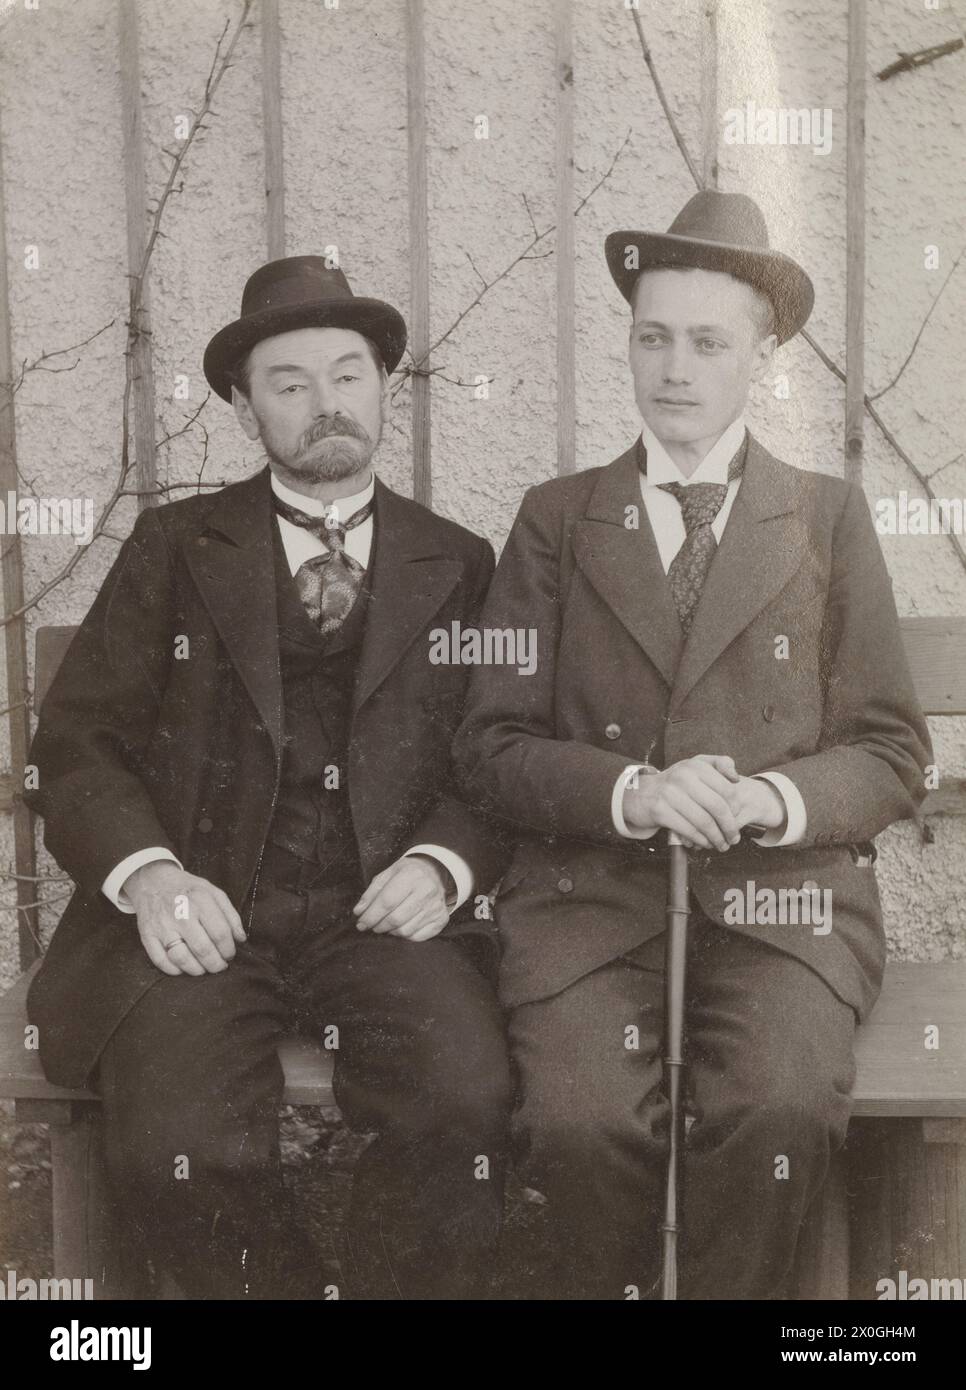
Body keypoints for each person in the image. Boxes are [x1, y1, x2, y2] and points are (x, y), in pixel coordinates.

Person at [453, 191, 932, 1300]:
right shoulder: (557, 520)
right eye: (651, 336)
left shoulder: (825, 518)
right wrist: (635, 790)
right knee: (577, 1122)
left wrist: (768, 802)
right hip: (590, 905)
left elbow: (889, 748)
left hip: (781, 907)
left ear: (761, 356)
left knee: (777, 1108)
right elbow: (489, 745)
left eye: (708, 343)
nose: (675, 367)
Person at [25, 256, 511, 1300]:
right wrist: (151, 878)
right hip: (207, 907)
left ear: (385, 384)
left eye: (348, 373)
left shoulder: (458, 560)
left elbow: (499, 747)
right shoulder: (173, 546)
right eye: (289, 383)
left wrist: (443, 863)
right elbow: (77, 742)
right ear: (245, 406)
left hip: (379, 914)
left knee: (464, 1106)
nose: (325, 403)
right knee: (175, 1147)